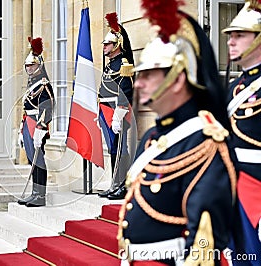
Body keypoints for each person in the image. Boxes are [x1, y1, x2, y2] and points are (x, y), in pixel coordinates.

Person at [117, 1, 236, 265]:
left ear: (178, 78)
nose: (138, 83)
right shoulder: (152, 139)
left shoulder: (206, 143)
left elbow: (204, 246)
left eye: (149, 74)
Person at [222, 0, 261, 262]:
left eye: (239, 35)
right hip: (236, 188)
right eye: (229, 36)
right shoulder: (233, 89)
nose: (230, 42)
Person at [97, 12, 135, 200]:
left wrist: (118, 115)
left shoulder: (123, 64)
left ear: (117, 45)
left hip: (117, 112)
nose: (104, 47)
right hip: (106, 111)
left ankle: (122, 185)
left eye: (107, 44)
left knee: (120, 150)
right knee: (113, 149)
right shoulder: (110, 64)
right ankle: (115, 183)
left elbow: (126, 91)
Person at [17, 37, 54, 207]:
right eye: (27, 66)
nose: (28, 68)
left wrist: (41, 127)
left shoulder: (44, 84)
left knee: (39, 160)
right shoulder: (31, 83)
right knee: (33, 160)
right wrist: (21, 129)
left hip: (38, 126)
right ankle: (34, 192)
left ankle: (41, 195)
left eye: (31, 65)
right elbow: (26, 108)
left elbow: (48, 106)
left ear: (39, 65)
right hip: (28, 123)